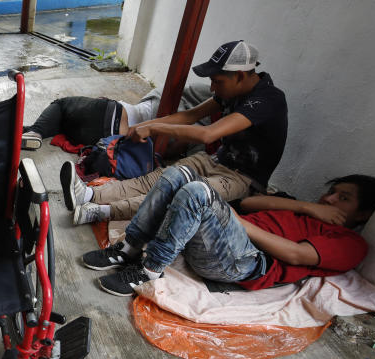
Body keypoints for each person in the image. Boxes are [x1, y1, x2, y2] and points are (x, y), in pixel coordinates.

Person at [61, 40, 288, 223]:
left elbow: (209, 134)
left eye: (217, 81)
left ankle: (101, 212)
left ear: (239, 75)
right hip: (216, 161)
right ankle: (89, 195)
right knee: (158, 179)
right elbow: (189, 116)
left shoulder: (268, 100)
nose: (212, 88)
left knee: (177, 195)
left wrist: (154, 127)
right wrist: (138, 128)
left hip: (242, 180)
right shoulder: (232, 91)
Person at [81, 170, 375, 297]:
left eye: (343, 198)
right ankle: (130, 247)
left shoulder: (350, 243)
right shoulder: (304, 210)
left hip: (245, 263)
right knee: (178, 174)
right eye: (331, 193)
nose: (330, 200)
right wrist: (308, 207)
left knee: (199, 192)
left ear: (363, 214)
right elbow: (252, 201)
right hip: (228, 239)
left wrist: (238, 223)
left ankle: (149, 270)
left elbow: (295, 254)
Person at [21, 83, 211, 150]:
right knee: (63, 124)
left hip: (114, 115)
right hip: (112, 141)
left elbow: (162, 92)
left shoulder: (195, 96)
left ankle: (36, 132)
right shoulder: (200, 139)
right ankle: (31, 132)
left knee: (62, 105)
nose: (213, 85)